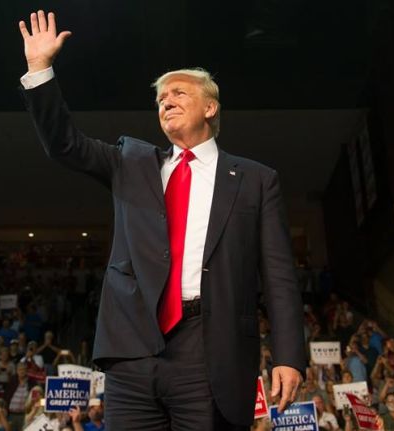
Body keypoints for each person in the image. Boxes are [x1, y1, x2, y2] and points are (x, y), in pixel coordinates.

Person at [18, 10, 305, 429]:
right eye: (160, 99)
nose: (166, 101)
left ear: (210, 107)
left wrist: (289, 356)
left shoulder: (256, 180)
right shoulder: (131, 162)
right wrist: (40, 69)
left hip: (209, 349)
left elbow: (279, 276)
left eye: (178, 93)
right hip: (132, 348)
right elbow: (65, 145)